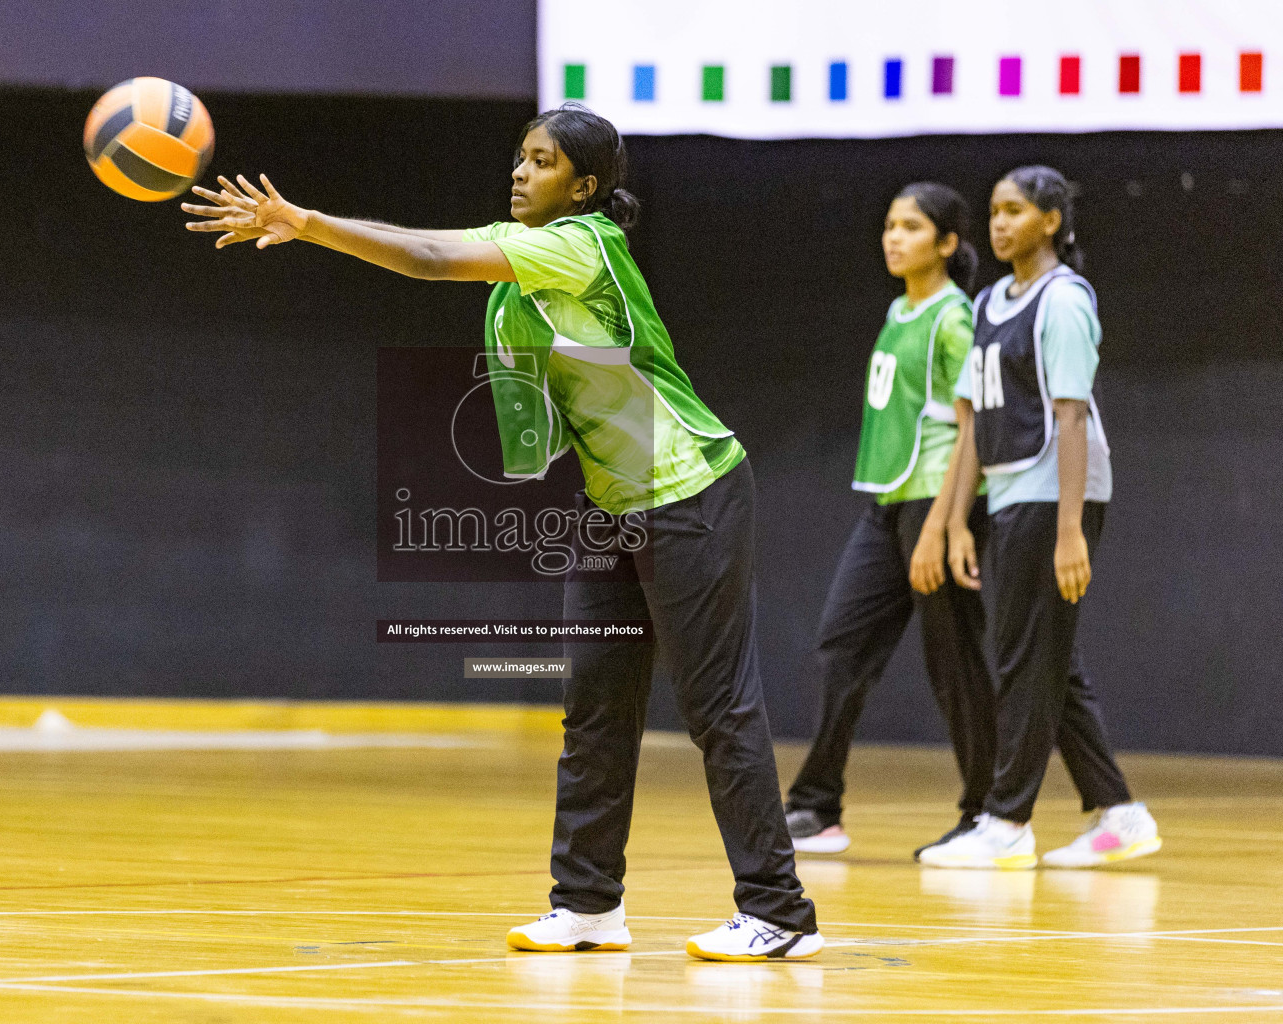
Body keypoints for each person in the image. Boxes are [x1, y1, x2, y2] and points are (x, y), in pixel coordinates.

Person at [183, 102, 821, 959]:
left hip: (690, 489)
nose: (521, 172)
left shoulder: (581, 243)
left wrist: (306, 224)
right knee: (594, 707)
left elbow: (429, 255)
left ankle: (779, 912)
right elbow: (448, 258)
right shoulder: (527, 257)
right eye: (520, 157)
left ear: (585, 187)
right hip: (613, 502)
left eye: (543, 161)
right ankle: (589, 904)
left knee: (718, 710)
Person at [920, 166, 1161, 870]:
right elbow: (972, 423)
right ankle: (1120, 813)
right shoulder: (992, 300)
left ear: (1051, 220)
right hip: (1008, 493)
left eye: (1015, 211)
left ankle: (1007, 821)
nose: (999, 224)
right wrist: (958, 519)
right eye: (993, 211)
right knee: (1051, 662)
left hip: (1055, 495)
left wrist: (1069, 531)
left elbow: (1072, 416)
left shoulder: (1062, 301)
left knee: (1026, 659)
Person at [782, 184, 996, 861]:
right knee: (842, 644)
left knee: (953, 663)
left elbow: (976, 429)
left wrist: (944, 523)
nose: (893, 237)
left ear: (947, 243)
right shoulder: (902, 309)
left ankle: (988, 814)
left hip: (936, 503)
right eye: (888, 225)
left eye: (910, 226)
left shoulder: (953, 319)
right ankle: (817, 807)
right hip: (887, 505)